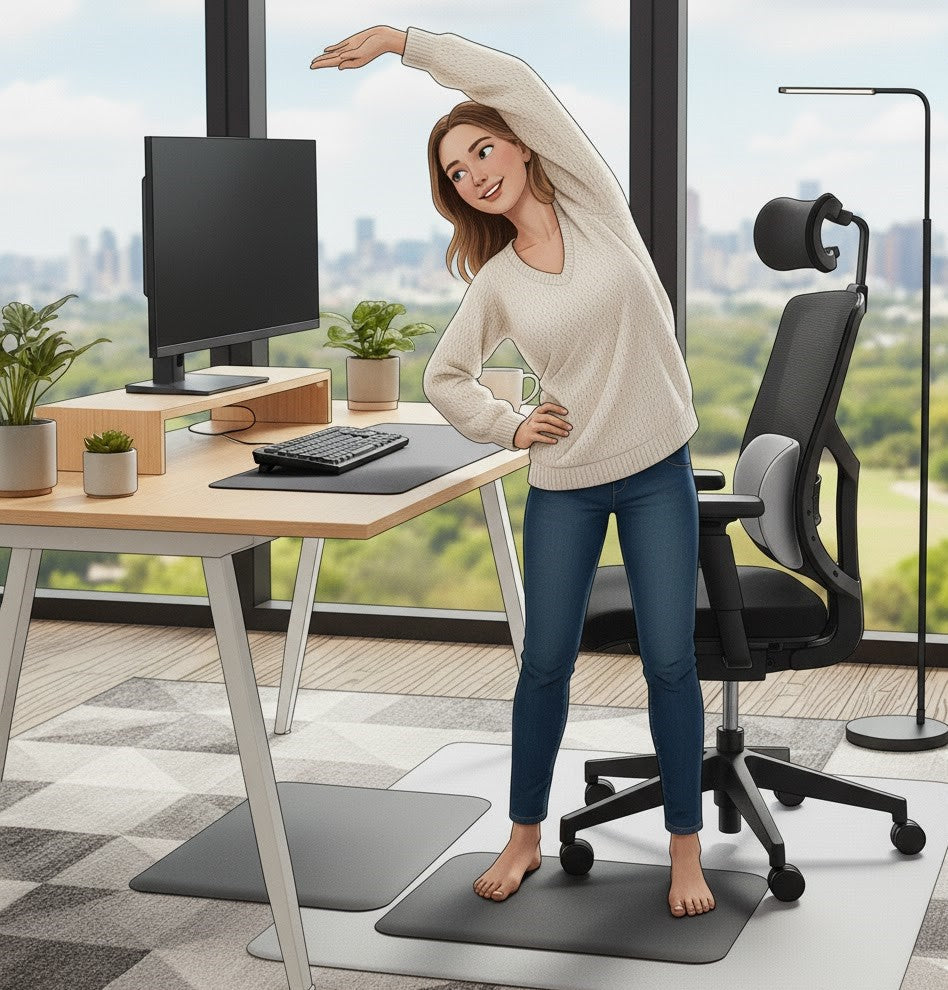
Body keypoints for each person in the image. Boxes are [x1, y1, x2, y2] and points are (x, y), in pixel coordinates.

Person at [311, 25, 715, 920]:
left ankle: (686, 848)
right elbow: (442, 377)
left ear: (523, 146)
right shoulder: (495, 280)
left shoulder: (596, 207)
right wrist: (512, 424)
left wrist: (400, 41)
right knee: (543, 665)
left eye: (482, 150)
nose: (474, 173)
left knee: (671, 662)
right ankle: (525, 834)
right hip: (566, 481)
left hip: (657, 469)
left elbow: (515, 77)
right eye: (455, 172)